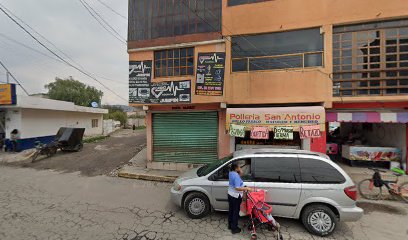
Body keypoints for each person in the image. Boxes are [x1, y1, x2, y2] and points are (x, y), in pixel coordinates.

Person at [228, 162, 252, 234]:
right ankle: (234, 228)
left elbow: (240, 176)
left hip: (230, 194)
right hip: (235, 196)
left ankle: (230, 225)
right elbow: (237, 188)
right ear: (236, 168)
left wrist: (240, 171)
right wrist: (246, 188)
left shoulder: (231, 173)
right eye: (239, 167)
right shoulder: (236, 176)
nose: (240, 168)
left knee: (231, 210)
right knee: (235, 212)